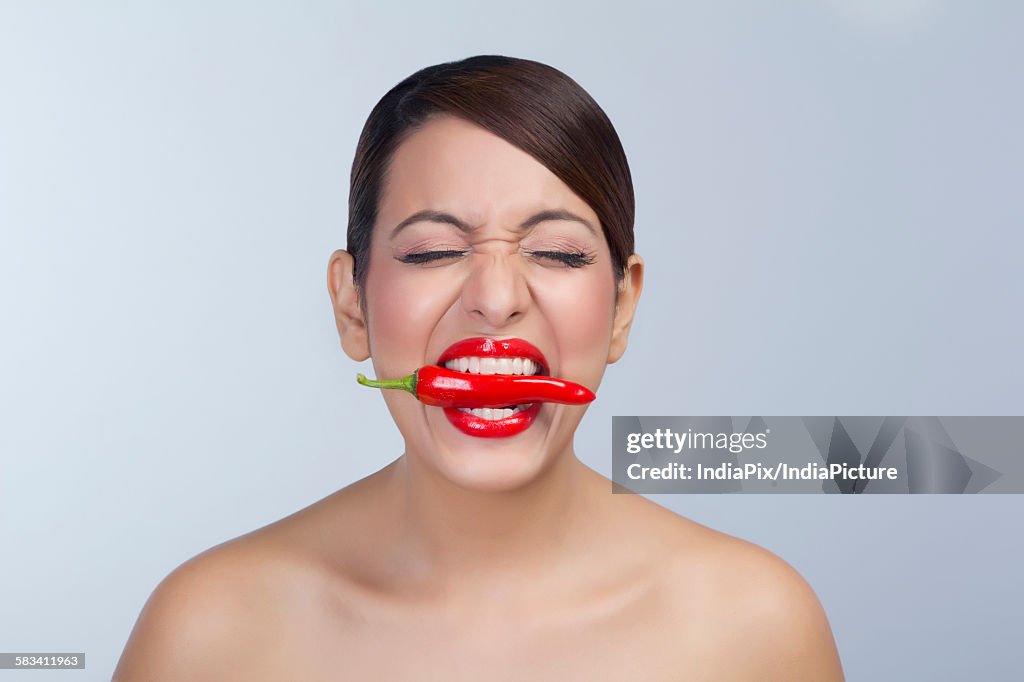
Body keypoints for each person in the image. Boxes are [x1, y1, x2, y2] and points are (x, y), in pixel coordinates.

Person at [114, 55, 844, 681]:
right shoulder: (210, 630)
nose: (495, 301)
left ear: (622, 306)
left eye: (558, 254)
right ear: (352, 306)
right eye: (433, 253)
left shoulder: (754, 625)